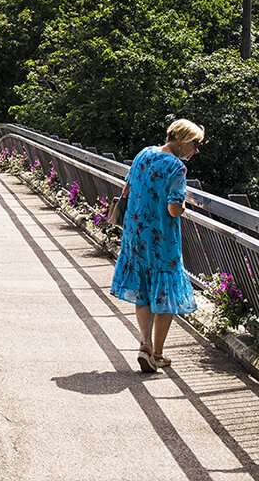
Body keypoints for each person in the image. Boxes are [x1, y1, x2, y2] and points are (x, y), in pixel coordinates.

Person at [110, 118, 204, 373]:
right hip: (161, 238)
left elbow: (128, 187)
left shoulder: (144, 153)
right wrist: (186, 207)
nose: (196, 151)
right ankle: (158, 354)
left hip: (136, 233)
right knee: (165, 294)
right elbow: (173, 208)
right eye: (195, 145)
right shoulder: (176, 167)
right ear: (182, 141)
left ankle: (144, 344)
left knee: (143, 288)